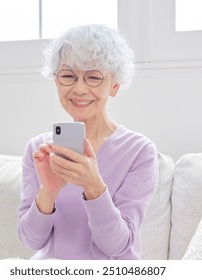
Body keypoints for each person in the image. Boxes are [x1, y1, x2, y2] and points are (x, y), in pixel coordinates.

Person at [17, 24, 159, 260]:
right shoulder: (38, 150)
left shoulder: (139, 152)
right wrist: (48, 192)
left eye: (93, 77)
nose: (79, 88)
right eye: (68, 75)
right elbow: (31, 241)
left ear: (114, 85)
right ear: (56, 81)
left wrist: (94, 187)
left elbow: (117, 246)